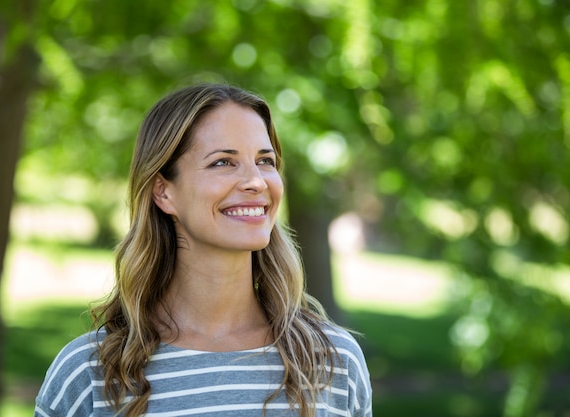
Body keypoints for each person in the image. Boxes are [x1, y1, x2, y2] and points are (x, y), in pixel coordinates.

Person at [34, 83, 372, 417]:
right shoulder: (89, 373)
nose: (256, 181)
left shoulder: (333, 361)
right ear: (163, 192)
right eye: (223, 162)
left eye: (265, 160)